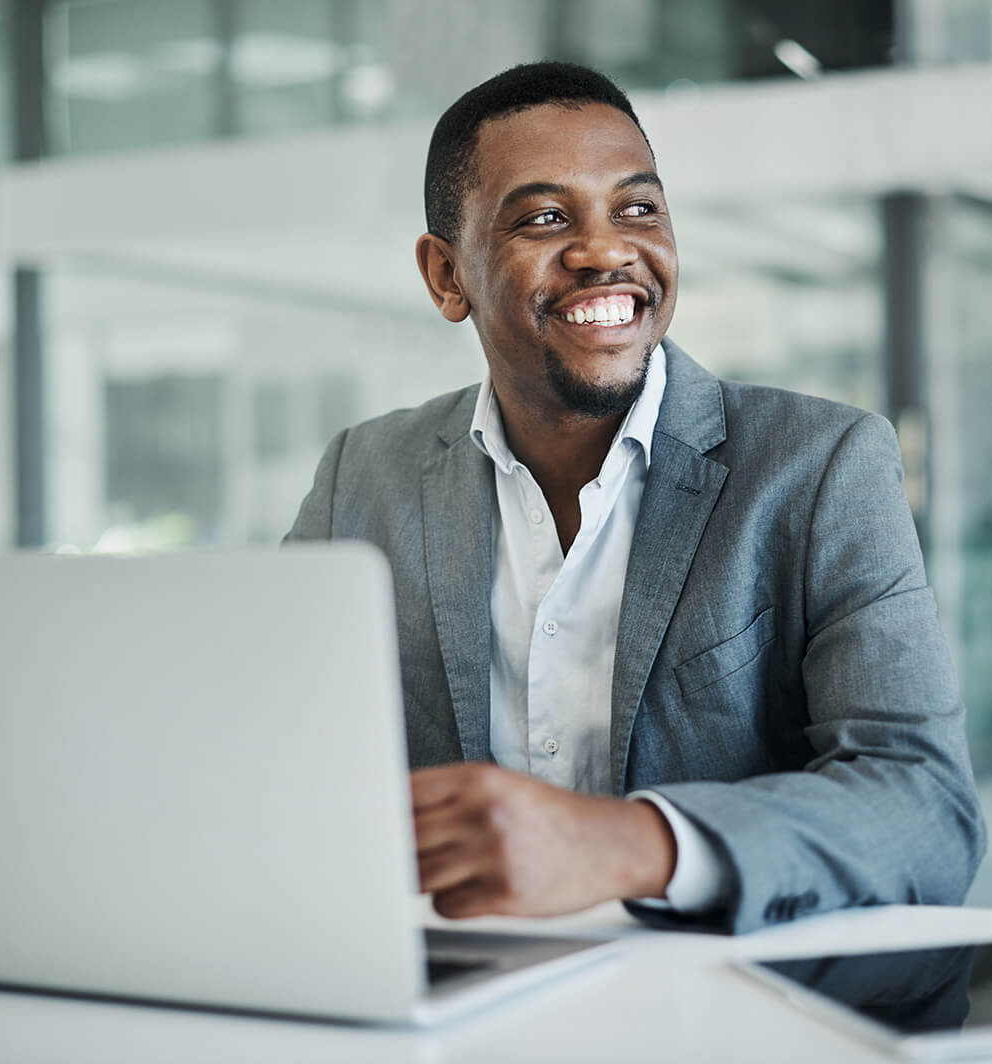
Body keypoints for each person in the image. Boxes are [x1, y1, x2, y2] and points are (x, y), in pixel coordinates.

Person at [286, 61, 985, 933]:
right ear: (446, 277)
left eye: (637, 209)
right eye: (544, 218)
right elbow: (268, 750)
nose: (607, 249)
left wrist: (629, 844)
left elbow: (926, 813)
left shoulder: (820, 465)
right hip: (448, 1002)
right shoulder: (364, 473)